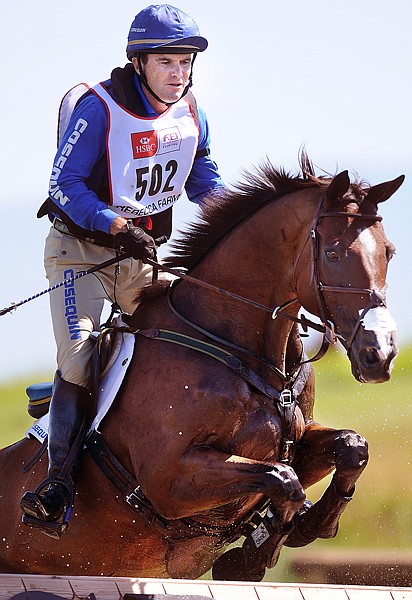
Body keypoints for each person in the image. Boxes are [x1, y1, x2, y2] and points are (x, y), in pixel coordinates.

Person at [20, 3, 224, 538]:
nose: (178, 74)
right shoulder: (99, 109)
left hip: (142, 259)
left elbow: (205, 183)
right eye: (166, 62)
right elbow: (63, 187)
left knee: (192, 328)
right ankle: (57, 485)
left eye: (185, 63)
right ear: (138, 62)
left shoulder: (192, 114)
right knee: (82, 356)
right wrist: (113, 224)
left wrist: (246, 223)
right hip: (81, 255)